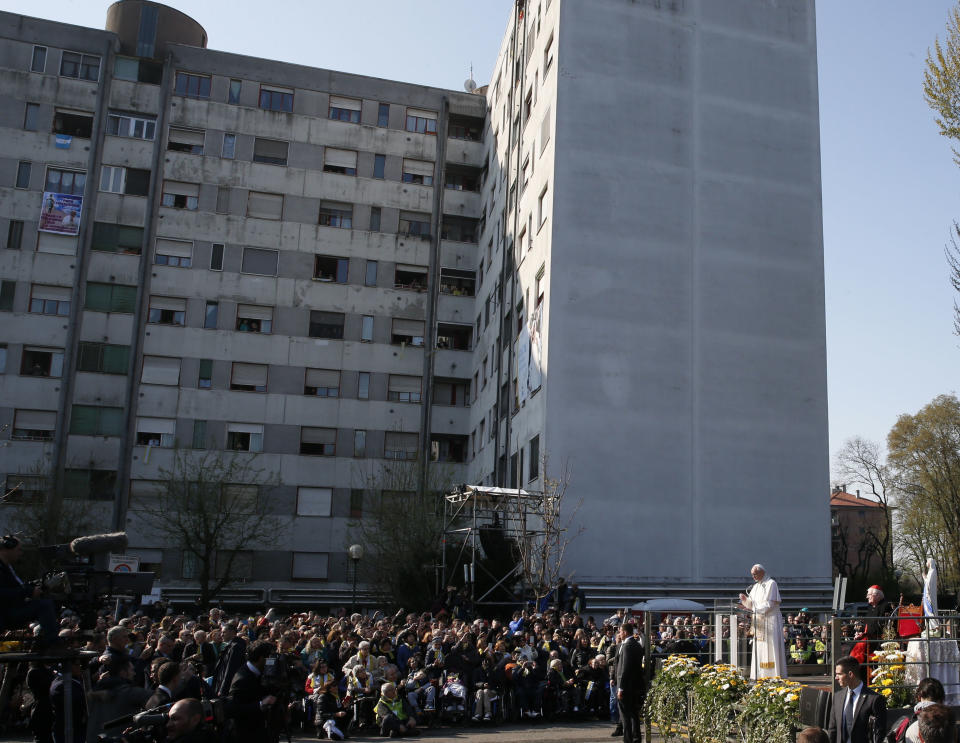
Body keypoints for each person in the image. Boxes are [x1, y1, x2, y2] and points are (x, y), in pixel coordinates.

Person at [0, 535, 59, 648]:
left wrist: (37, 587)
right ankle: (53, 645)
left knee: (50, 603)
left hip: (10, 610)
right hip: (5, 613)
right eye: (18, 550)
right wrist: (28, 592)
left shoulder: (7, 567)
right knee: (44, 606)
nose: (21, 553)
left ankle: (42, 645)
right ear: (7, 549)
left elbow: (18, 588)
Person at [738, 563, 788, 679]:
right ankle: (760, 675)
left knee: (771, 648)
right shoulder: (755, 587)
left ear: (762, 572)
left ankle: (773, 676)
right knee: (760, 649)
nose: (753, 577)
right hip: (759, 622)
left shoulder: (771, 584)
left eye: (755, 574)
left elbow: (769, 604)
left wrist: (753, 608)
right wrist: (744, 601)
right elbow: (752, 604)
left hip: (770, 621)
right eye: (752, 575)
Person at [226, 641, 277, 743]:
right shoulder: (242, 678)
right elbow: (232, 709)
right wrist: (260, 704)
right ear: (261, 658)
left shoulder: (258, 673)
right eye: (270, 658)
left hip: (257, 730)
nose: (273, 661)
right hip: (244, 734)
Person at [827, 656, 886, 743]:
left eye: (839, 674)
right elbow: (832, 729)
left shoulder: (874, 699)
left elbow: (879, 733)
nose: (836, 678)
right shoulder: (837, 697)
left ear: (850, 674)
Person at [615, 622, 644, 743]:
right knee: (634, 713)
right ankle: (637, 738)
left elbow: (624, 668)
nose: (619, 633)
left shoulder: (627, 646)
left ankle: (628, 739)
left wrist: (620, 688)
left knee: (625, 715)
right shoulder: (637, 645)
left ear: (625, 632)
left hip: (626, 686)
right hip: (635, 685)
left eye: (620, 631)